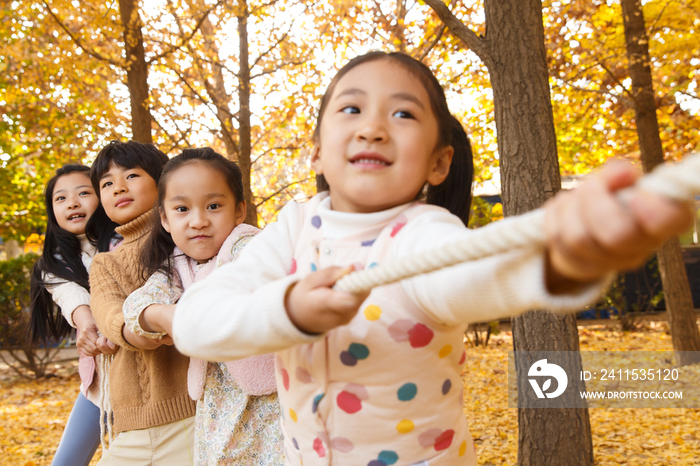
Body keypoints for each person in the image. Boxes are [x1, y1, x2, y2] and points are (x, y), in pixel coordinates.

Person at [172, 52, 693, 465]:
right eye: (351, 109)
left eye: (402, 113)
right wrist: (285, 312)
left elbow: (472, 276)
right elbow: (196, 322)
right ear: (315, 151)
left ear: (439, 161)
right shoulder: (291, 229)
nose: (373, 127)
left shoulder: (424, 234)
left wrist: (565, 258)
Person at [121, 147, 283, 464]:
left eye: (213, 206)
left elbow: (262, 280)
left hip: (271, 399)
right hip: (218, 404)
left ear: (239, 211)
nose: (198, 221)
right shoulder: (178, 265)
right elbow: (138, 304)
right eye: (182, 209)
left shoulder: (249, 248)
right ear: (165, 219)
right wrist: (164, 316)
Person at [87, 140, 196, 465]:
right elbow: (110, 315)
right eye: (106, 183)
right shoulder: (104, 263)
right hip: (130, 427)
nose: (118, 187)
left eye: (131, 175)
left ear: (163, 182)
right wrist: (148, 324)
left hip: (193, 418)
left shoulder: (188, 239)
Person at [28, 164, 119, 466]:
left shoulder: (126, 243)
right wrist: (87, 325)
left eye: (84, 193)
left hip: (144, 377)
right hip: (98, 384)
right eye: (61, 198)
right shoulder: (53, 264)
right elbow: (72, 297)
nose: (73, 203)